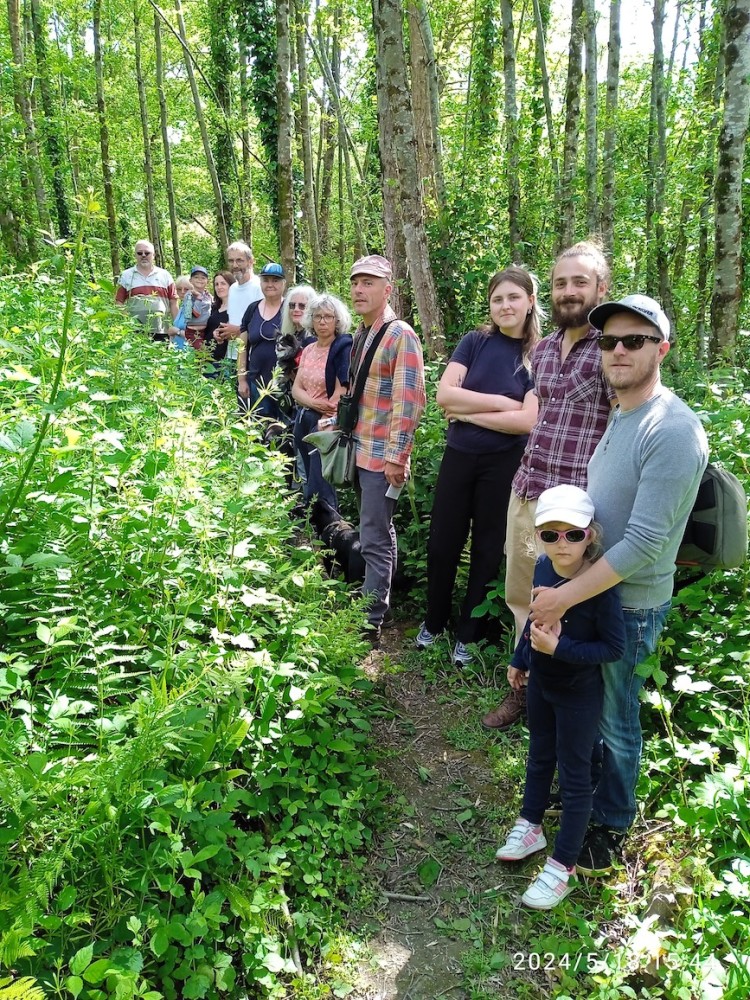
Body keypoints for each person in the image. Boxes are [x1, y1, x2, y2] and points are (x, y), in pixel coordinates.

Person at [529, 294, 708, 875]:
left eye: (635, 340)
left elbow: (647, 543)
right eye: (608, 342)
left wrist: (562, 596)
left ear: (663, 348)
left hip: (626, 604)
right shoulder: (623, 415)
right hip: (594, 592)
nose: (619, 351)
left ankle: (612, 823)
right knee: (589, 709)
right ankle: (587, 793)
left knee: (616, 716)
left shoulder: (673, 429)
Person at [482, 239, 615, 731]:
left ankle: (563, 705)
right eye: (561, 283)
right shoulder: (541, 349)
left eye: (580, 282)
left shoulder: (610, 347)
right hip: (527, 488)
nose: (569, 291)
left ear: (601, 288)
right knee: (524, 595)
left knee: (570, 608)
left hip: (574, 506)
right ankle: (526, 688)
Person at [495, 485, 625, 910]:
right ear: (537, 537)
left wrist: (559, 651)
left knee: (573, 777)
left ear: (591, 535)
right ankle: (530, 825)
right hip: (542, 688)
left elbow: (612, 648)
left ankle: (563, 865)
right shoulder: (543, 571)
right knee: (537, 756)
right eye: (549, 535)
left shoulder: (599, 587)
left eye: (572, 534)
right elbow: (534, 619)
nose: (561, 544)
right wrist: (521, 657)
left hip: (578, 697)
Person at [414, 267, 541, 666]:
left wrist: (469, 413)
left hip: (505, 464)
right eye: (497, 298)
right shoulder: (475, 341)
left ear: (530, 302)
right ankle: (434, 622)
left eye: (513, 298)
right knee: (442, 543)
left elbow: (526, 421)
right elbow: (444, 395)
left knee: (488, 548)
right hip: (460, 457)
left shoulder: (539, 353)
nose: (505, 305)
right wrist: (505, 403)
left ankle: (469, 633)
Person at [349, 254, 426, 646]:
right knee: (377, 532)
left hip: (382, 456)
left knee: (375, 537)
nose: (360, 290)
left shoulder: (400, 335)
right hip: (362, 450)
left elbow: (408, 400)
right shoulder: (363, 332)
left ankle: (369, 623)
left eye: (369, 282)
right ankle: (376, 603)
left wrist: (398, 456)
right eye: (356, 282)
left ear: (387, 289)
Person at [292, 293, 353, 511]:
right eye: (317, 317)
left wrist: (325, 416)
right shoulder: (308, 349)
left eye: (328, 317)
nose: (322, 322)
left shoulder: (342, 349)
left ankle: (329, 529)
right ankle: (310, 527)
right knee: (308, 477)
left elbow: (340, 393)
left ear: (338, 321)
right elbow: (296, 389)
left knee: (322, 482)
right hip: (304, 419)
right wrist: (314, 403)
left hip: (325, 423)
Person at [238, 262, 286, 419]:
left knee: (282, 433)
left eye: (275, 280)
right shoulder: (252, 309)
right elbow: (242, 347)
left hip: (284, 385)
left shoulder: (290, 309)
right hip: (255, 382)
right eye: (266, 280)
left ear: (284, 283)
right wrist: (242, 380)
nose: (270, 284)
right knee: (257, 432)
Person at [213, 241, 262, 397]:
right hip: (232, 356)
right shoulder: (233, 288)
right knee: (234, 409)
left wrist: (238, 331)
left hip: (252, 358)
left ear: (250, 261)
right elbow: (234, 320)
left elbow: (263, 324)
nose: (235, 265)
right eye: (231, 260)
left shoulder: (259, 286)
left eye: (239, 260)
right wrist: (221, 333)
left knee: (253, 410)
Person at [115, 239, 179, 341]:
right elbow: (119, 302)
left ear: (153, 255)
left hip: (161, 329)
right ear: (135, 255)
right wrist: (128, 322)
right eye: (139, 253)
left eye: (147, 253)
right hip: (134, 331)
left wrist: (177, 326)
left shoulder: (165, 275)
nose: (143, 255)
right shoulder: (126, 275)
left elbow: (173, 302)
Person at [203, 271, 236, 377]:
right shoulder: (214, 307)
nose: (219, 287)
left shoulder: (236, 308)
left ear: (231, 285)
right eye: (216, 284)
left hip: (222, 360)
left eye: (223, 283)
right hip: (206, 357)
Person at [180, 266, 213, 349]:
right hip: (193, 332)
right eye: (196, 277)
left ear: (207, 281)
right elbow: (196, 313)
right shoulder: (189, 295)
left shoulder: (207, 295)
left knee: (208, 353)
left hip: (206, 330)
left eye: (203, 278)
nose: (200, 280)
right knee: (201, 355)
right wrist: (198, 297)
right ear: (191, 280)